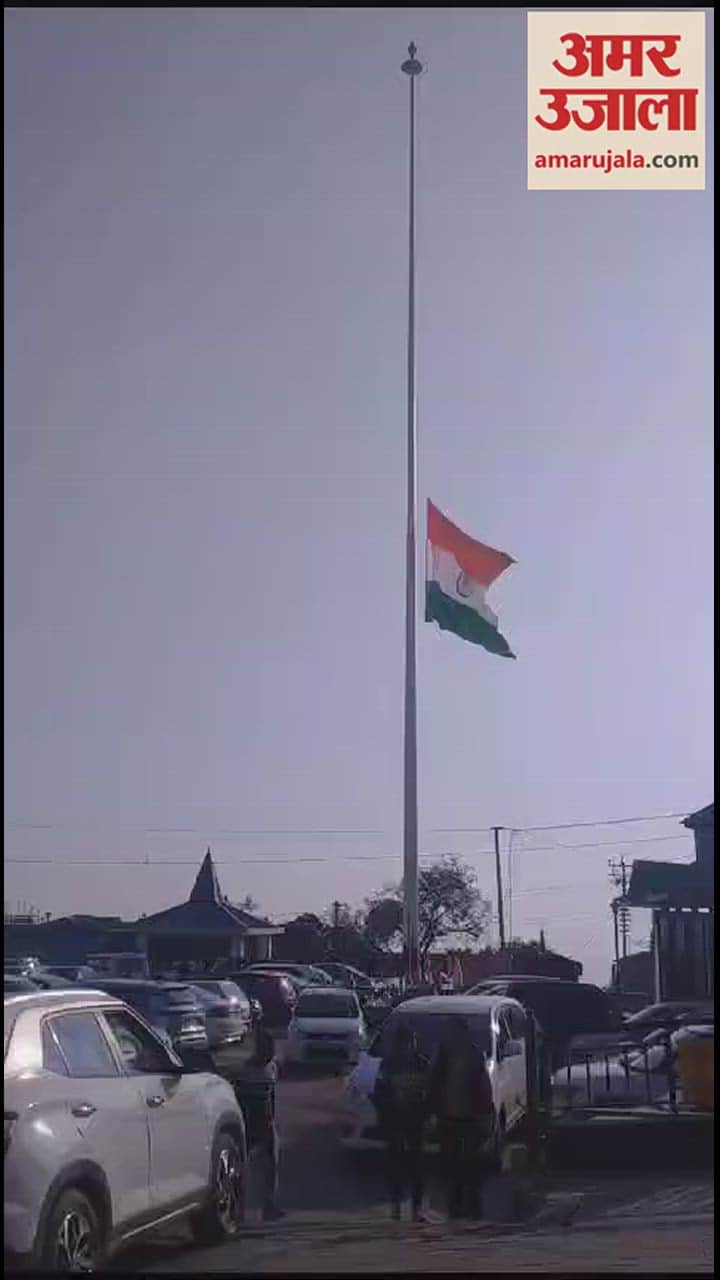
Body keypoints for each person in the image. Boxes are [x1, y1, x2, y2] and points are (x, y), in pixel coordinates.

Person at [428, 1018, 495, 1220]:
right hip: (448, 1118)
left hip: (469, 1118)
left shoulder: (475, 1055)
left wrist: (485, 1114)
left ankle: (473, 1208)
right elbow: (434, 1084)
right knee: (452, 1166)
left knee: (471, 1166)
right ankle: (455, 1208)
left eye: (457, 1032)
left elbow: (484, 1087)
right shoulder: (444, 1055)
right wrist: (434, 1111)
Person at [372, 1023, 430, 1222]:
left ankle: (417, 1209)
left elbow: (431, 1093)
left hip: (416, 1121)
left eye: (411, 1042)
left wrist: (427, 1114)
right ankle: (395, 1207)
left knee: (417, 1167)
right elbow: (378, 1092)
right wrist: (385, 1113)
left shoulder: (422, 1064)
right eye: (404, 1043)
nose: (408, 1046)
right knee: (395, 1166)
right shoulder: (388, 1065)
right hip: (395, 1121)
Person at [234, 1028, 284, 1221]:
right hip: (251, 1122)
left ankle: (268, 1206)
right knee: (243, 1166)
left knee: (270, 1166)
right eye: (268, 1048)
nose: (271, 1052)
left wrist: (272, 1118)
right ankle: (238, 1208)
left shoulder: (272, 1067)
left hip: (267, 1122)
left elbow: (272, 1096)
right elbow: (240, 1098)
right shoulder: (248, 1071)